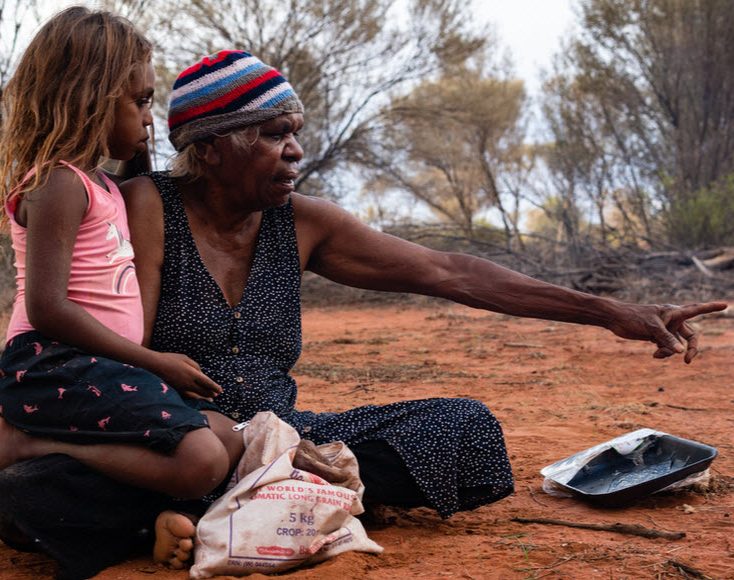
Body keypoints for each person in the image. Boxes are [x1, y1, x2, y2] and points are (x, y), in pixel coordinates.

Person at [0, 48, 726, 580]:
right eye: (276, 133)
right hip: (180, 434)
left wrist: (607, 310)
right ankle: (249, 506)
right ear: (215, 148)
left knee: (466, 430)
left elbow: (449, 271)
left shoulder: (302, 224)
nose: (297, 151)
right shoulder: (145, 205)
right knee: (37, 490)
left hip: (285, 438)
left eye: (297, 131)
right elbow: (82, 317)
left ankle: (224, 509)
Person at [0, 7, 242, 529]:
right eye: (141, 101)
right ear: (88, 98)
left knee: (227, 437)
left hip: (96, 365)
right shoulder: (59, 183)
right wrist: (153, 362)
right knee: (202, 459)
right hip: (52, 361)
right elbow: (47, 307)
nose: (150, 117)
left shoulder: (105, 185)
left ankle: (119, 515)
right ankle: (24, 442)